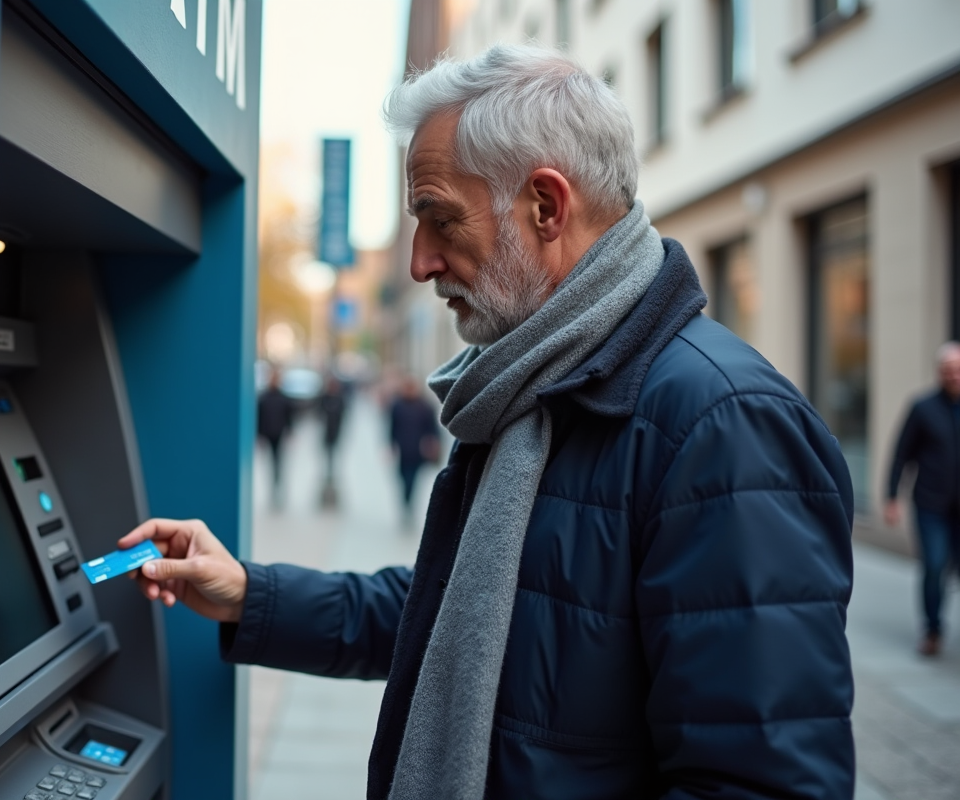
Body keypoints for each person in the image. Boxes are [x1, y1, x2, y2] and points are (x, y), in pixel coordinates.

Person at [120, 46, 855, 799]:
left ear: (546, 205)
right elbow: (463, 611)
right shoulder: (540, 387)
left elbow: (761, 781)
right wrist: (250, 592)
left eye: (438, 218)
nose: (419, 262)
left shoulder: (721, 426)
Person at [885, 342, 960, 657]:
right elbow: (901, 454)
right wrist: (891, 497)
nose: (953, 375)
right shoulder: (923, 407)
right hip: (931, 504)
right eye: (947, 370)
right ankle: (932, 630)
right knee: (933, 566)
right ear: (938, 373)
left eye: (957, 370)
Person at [388, 376, 440, 521]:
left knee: (413, 479)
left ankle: (409, 504)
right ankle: (406, 502)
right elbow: (392, 427)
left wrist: (433, 444)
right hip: (403, 450)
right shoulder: (397, 405)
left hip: (418, 451)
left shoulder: (425, 406)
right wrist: (391, 445)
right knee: (403, 478)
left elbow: (433, 429)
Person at [256, 368, 294, 507]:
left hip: (278, 434)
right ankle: (273, 488)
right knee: (273, 463)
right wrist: (259, 435)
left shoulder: (281, 397)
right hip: (269, 434)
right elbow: (260, 417)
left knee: (278, 462)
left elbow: (289, 417)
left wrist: (289, 432)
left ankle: (277, 487)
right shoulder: (265, 397)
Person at [317, 376, 348, 507]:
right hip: (326, 433)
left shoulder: (340, 399)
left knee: (333, 457)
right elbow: (319, 413)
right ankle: (327, 478)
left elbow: (343, 415)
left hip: (335, 433)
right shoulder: (324, 397)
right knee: (327, 457)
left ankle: (332, 478)